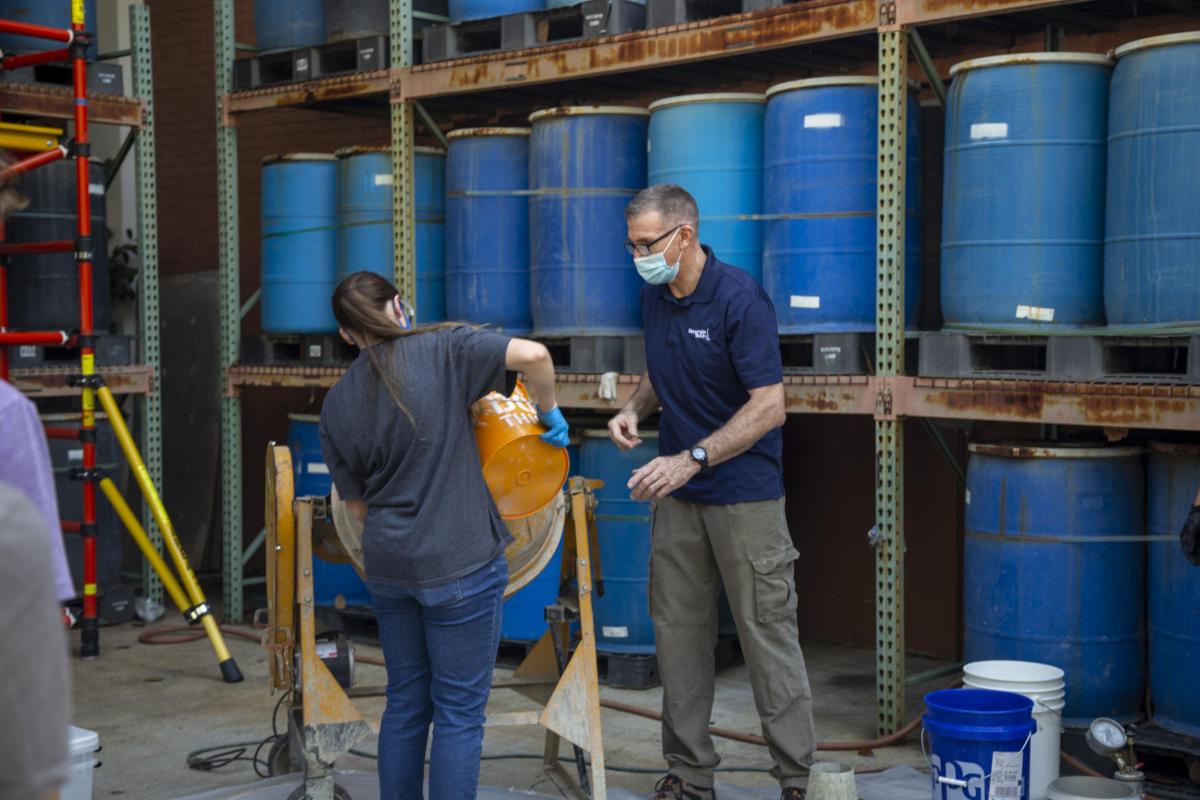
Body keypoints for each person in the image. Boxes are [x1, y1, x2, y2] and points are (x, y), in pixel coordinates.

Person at [318, 270, 569, 800]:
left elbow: (358, 508)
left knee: (407, 702)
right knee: (458, 713)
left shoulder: (336, 403)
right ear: (400, 307)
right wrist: (549, 412)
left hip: (389, 567)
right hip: (459, 562)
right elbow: (536, 357)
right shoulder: (444, 349)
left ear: (345, 336)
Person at [608, 185, 816, 800]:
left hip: (744, 497)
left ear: (685, 236)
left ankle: (797, 778)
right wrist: (633, 408)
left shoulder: (739, 300)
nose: (638, 256)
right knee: (677, 636)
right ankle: (690, 773)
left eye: (646, 244)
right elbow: (660, 370)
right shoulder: (654, 296)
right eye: (631, 245)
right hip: (679, 497)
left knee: (767, 635)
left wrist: (693, 458)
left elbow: (770, 406)